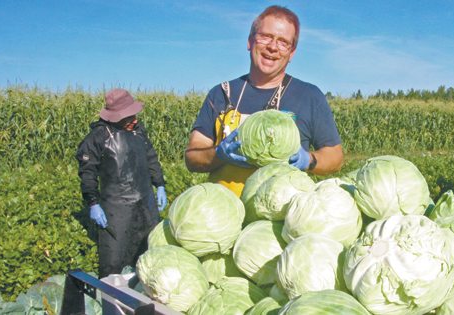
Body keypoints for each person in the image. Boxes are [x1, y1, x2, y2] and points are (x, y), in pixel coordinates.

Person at [185, 5, 343, 196]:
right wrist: (219, 154)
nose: (273, 47)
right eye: (266, 36)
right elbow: (192, 157)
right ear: (250, 41)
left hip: (279, 217)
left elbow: (335, 157)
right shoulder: (221, 94)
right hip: (224, 215)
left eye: (283, 42)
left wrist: (308, 160)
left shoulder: (309, 96)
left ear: (291, 53)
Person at [76, 88, 168, 277]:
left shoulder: (138, 132)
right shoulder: (98, 137)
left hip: (145, 204)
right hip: (116, 209)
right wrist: (93, 203)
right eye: (129, 117)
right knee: (114, 261)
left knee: (150, 255)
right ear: (115, 117)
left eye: (134, 115)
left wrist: (159, 185)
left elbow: (151, 159)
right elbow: (87, 173)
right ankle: (113, 300)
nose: (134, 120)